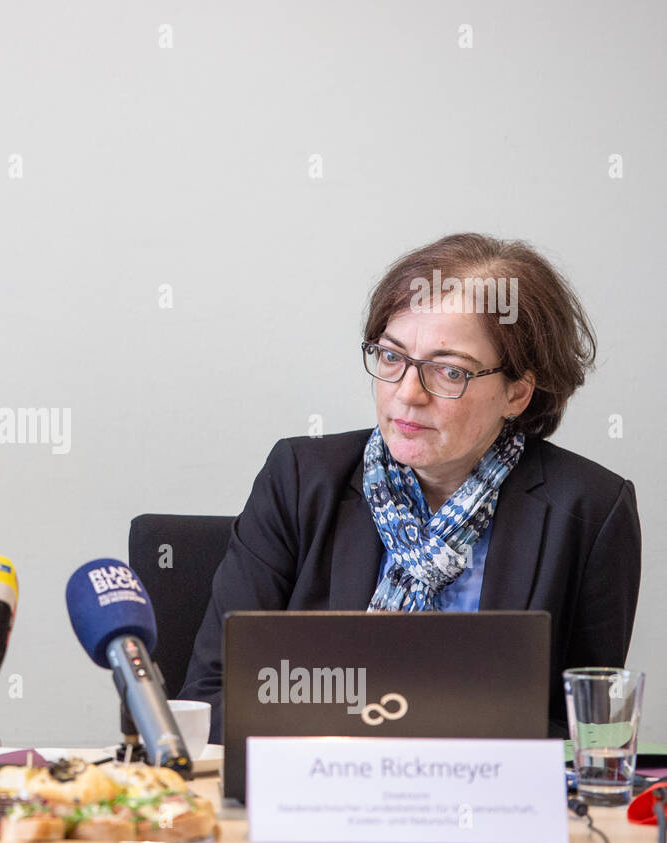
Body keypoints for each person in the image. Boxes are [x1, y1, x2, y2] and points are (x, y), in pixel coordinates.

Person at [179, 233, 640, 741]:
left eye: (449, 371)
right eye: (392, 357)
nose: (406, 394)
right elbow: (211, 697)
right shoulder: (299, 477)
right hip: (316, 796)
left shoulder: (592, 510)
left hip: (485, 806)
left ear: (517, 393)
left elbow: (593, 731)